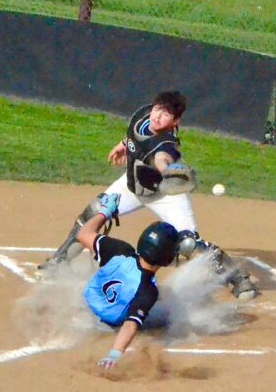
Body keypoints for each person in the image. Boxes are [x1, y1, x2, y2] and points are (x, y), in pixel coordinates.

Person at [38, 90, 257, 301]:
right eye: (157, 109)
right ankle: (59, 261)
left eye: (166, 114)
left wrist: (167, 171)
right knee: (93, 213)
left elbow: (161, 158)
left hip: (165, 193)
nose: (157, 117)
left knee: (189, 244)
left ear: (175, 121)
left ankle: (238, 278)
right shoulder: (142, 115)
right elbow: (134, 136)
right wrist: (123, 145)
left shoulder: (166, 143)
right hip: (132, 186)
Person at [76, 192, 179, 369]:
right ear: (166, 258)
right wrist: (114, 354)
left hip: (80, 307)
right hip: (102, 327)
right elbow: (130, 325)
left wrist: (105, 212)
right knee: (164, 316)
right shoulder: (148, 290)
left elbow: (83, 234)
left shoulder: (120, 250)